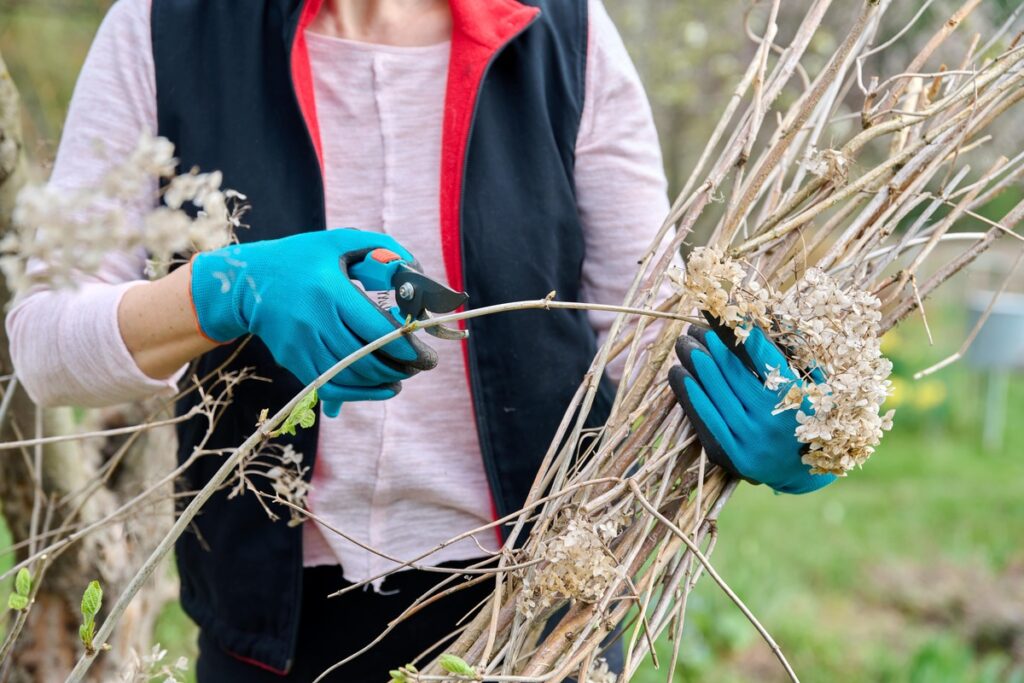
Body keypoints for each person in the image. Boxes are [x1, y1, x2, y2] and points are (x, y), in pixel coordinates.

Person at [7, 0, 833, 679]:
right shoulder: (167, 28)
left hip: (540, 625)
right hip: (272, 643)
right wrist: (227, 291)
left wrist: (792, 416)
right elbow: (43, 345)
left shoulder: (561, 36)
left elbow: (648, 332)